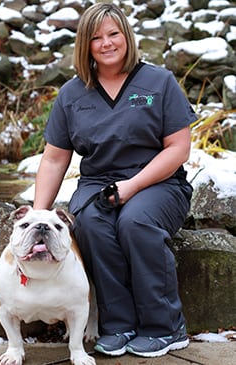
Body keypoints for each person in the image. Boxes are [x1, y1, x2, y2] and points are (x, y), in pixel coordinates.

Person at [33, 2, 197, 358]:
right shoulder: (72, 94)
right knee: (90, 224)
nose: (106, 43)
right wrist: (37, 216)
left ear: (127, 36)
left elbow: (178, 148)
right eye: (96, 38)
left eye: (114, 34)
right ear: (85, 45)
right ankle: (118, 325)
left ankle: (165, 327)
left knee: (135, 222)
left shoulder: (159, 82)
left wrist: (133, 186)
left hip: (159, 182)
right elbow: (55, 158)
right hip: (97, 183)